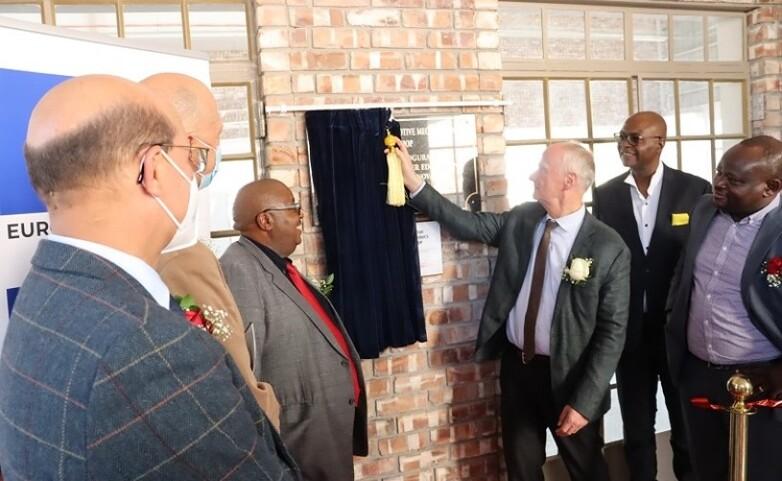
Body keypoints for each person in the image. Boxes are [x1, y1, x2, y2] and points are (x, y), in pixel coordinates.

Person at [0, 75, 299, 481]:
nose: (198, 173)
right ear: (152, 168)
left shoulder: (46, 292)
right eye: (192, 156)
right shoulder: (152, 349)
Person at [395, 139, 630, 481]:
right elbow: (467, 224)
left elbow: (613, 334)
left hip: (571, 379)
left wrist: (585, 402)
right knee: (521, 470)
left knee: (588, 472)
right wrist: (414, 183)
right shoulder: (523, 219)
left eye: (543, 169)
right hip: (518, 370)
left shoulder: (609, 247)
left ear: (569, 181)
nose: (534, 175)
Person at [142, 73, 281, 429]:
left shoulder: (178, 248)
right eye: (210, 148)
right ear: (189, 150)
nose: (211, 163)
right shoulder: (177, 254)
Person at [219, 179, 367, 481]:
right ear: (265, 219)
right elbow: (247, 368)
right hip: (297, 440)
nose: (301, 216)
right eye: (293, 208)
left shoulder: (274, 264)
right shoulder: (240, 269)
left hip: (318, 435)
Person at [593, 112, 709, 481]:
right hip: (629, 335)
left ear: (660, 142)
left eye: (634, 138)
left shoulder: (695, 190)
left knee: (686, 431)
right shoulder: (606, 194)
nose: (624, 144)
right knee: (637, 433)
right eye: (621, 136)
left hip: (679, 334)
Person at [666, 135, 782, 481]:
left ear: (771, 188)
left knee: (759, 472)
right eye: (719, 172)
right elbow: (684, 276)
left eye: (734, 180)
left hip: (761, 382)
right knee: (707, 470)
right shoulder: (705, 210)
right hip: (698, 374)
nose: (718, 183)